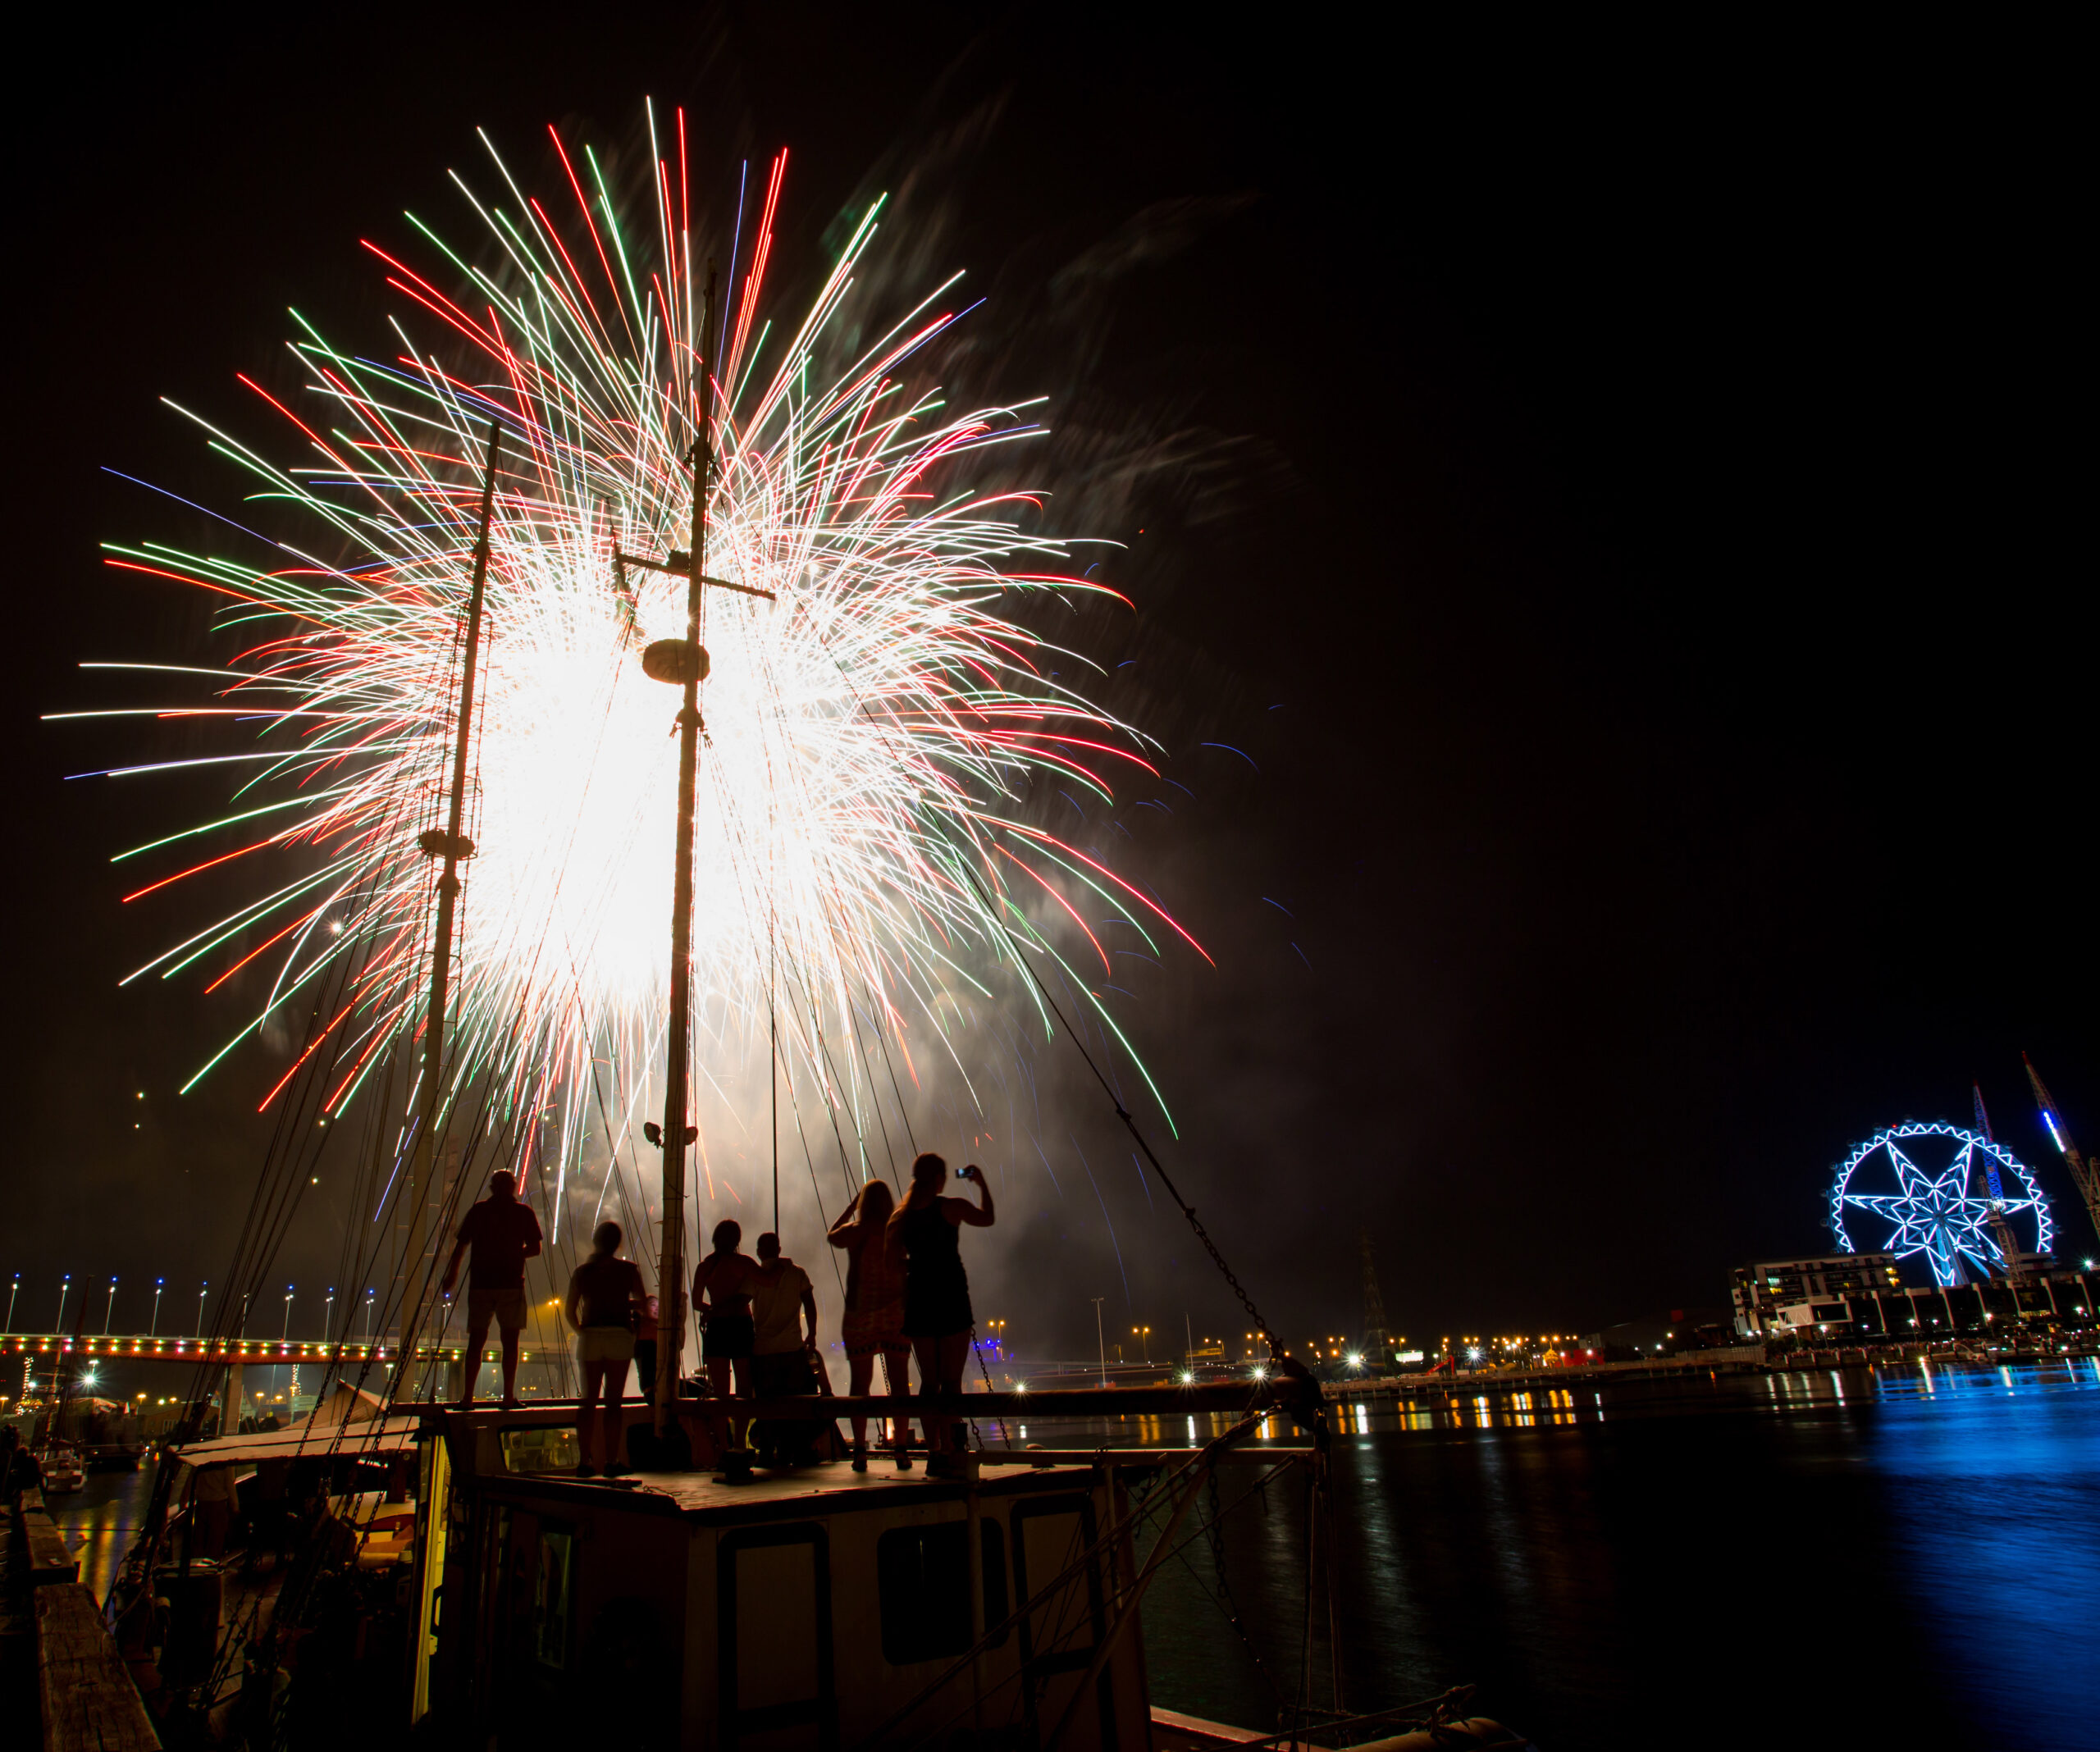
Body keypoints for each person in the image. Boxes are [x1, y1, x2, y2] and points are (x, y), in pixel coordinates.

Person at [890, 1152, 995, 1472]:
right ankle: (951, 1447)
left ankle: (934, 1449)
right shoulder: (951, 1207)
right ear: (938, 1178)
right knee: (951, 1382)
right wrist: (981, 1183)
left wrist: (915, 1270)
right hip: (951, 1298)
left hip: (920, 1301)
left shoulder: (901, 1217)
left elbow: (892, 1263)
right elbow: (987, 1217)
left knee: (929, 1382)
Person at [438, 1169, 544, 1408]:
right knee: (511, 1342)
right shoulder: (523, 1212)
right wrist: (515, 1256)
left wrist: (453, 1274)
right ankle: (508, 1396)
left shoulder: (479, 1210)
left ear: (491, 1188)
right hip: (511, 1284)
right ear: (514, 1187)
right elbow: (536, 1249)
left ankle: (467, 1397)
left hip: (481, 1284)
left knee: (476, 1341)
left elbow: (461, 1247)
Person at [829, 1180, 911, 1471]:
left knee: (860, 1386)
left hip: (860, 1313)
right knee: (901, 1386)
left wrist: (850, 1209)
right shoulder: (897, 1229)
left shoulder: (857, 1231)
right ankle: (901, 1449)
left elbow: (831, 1236)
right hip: (894, 1313)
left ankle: (860, 1451)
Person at [565, 1221, 646, 1476]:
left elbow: (569, 1312)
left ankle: (584, 1461)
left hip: (590, 1334)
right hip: (619, 1334)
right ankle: (612, 1461)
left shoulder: (583, 1272)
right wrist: (626, 1307)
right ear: (617, 1243)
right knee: (614, 1403)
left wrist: (582, 1331)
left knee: (587, 1402)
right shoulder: (628, 1270)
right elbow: (643, 1303)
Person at [747, 1233, 820, 1467]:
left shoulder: (754, 1277)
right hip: (792, 1348)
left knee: (767, 1405)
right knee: (795, 1403)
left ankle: (768, 1452)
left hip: (764, 1350)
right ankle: (797, 1450)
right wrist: (812, 1333)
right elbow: (809, 1302)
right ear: (779, 1249)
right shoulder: (797, 1273)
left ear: (759, 1252)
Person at [692, 1220, 760, 1455]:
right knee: (743, 1389)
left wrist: (712, 1311)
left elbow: (696, 1303)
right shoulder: (745, 1263)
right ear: (737, 1240)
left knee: (720, 1393)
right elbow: (765, 1282)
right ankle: (740, 1444)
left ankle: (722, 1445)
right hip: (741, 1325)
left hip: (717, 1329)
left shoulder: (706, 1266)